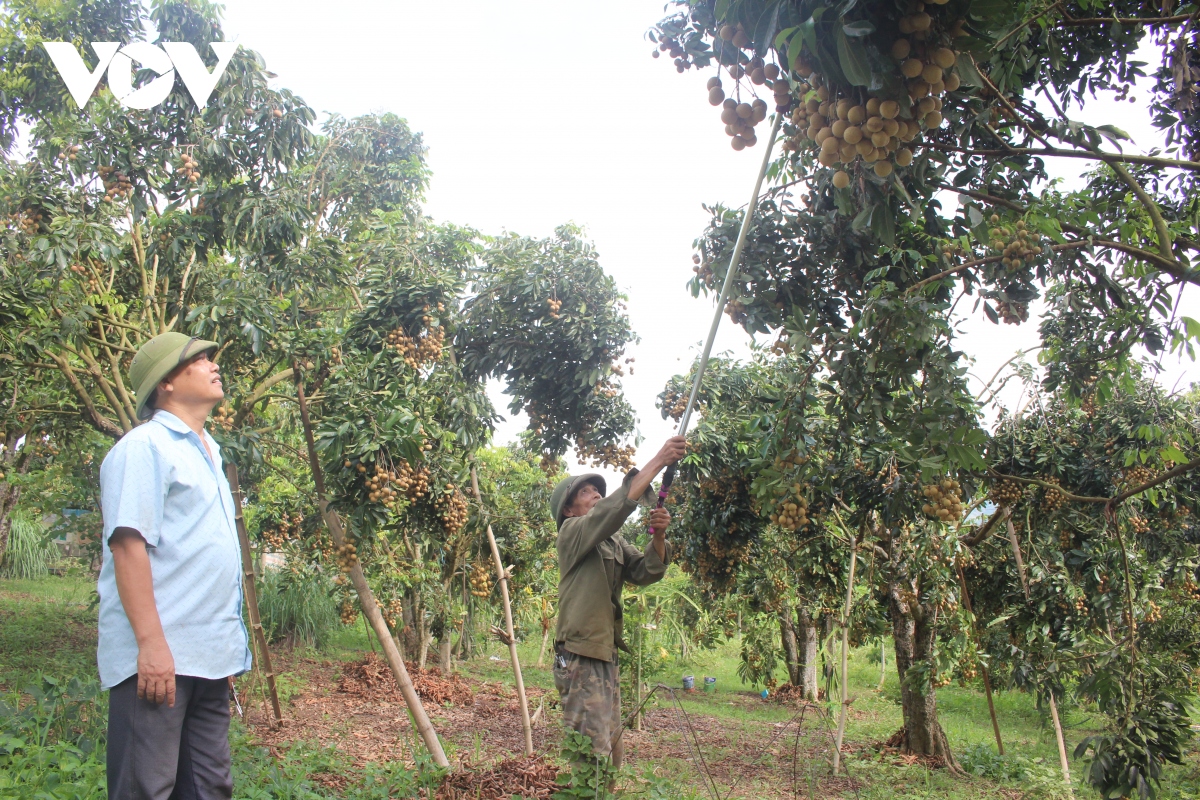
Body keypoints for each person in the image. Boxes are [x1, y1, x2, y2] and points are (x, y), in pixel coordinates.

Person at [98, 332, 252, 800]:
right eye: (199, 359)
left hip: (209, 656)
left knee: (210, 787)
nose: (212, 364)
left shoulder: (208, 450)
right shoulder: (145, 447)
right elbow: (128, 547)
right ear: (165, 382)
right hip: (159, 658)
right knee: (147, 787)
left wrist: (221, 649)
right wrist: (151, 645)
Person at [550, 435, 687, 770]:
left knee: (611, 754)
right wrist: (658, 460)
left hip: (603, 654)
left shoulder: (612, 540)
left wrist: (659, 536)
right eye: (586, 492)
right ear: (569, 509)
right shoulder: (571, 533)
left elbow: (645, 572)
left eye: (598, 491)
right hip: (580, 655)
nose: (596, 495)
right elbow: (615, 508)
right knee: (589, 757)